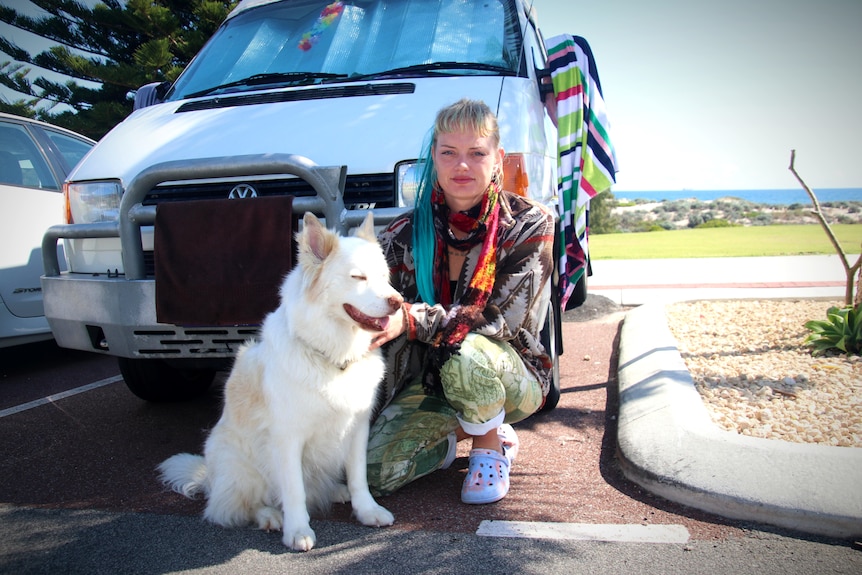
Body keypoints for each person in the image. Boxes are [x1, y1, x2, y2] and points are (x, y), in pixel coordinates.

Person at [366, 99, 556, 505]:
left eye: (476, 153)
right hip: (430, 375)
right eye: (449, 153)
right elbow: (380, 310)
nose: (462, 166)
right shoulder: (402, 233)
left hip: (511, 372)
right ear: (434, 157)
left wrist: (413, 321)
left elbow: (502, 320)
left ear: (498, 159)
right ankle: (458, 432)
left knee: (464, 349)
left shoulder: (529, 223)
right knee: (374, 473)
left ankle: (490, 446)